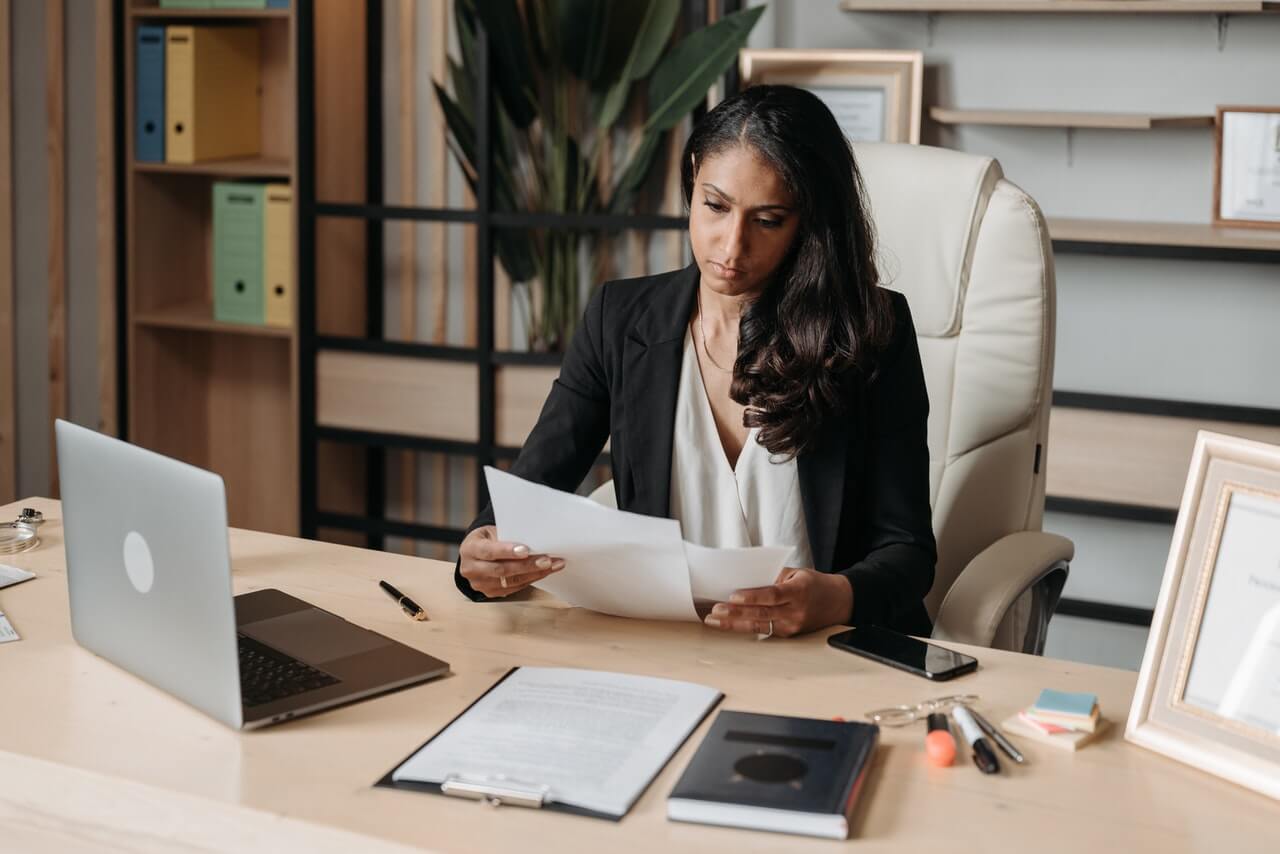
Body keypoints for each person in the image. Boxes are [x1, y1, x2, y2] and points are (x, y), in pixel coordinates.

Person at [455, 84, 936, 638]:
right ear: (691, 179)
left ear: (810, 222)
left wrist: (834, 598)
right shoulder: (621, 319)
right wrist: (482, 552)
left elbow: (908, 553)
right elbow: (532, 489)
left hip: (825, 648)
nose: (731, 248)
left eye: (769, 219)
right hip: (670, 645)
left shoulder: (871, 331)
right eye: (715, 206)